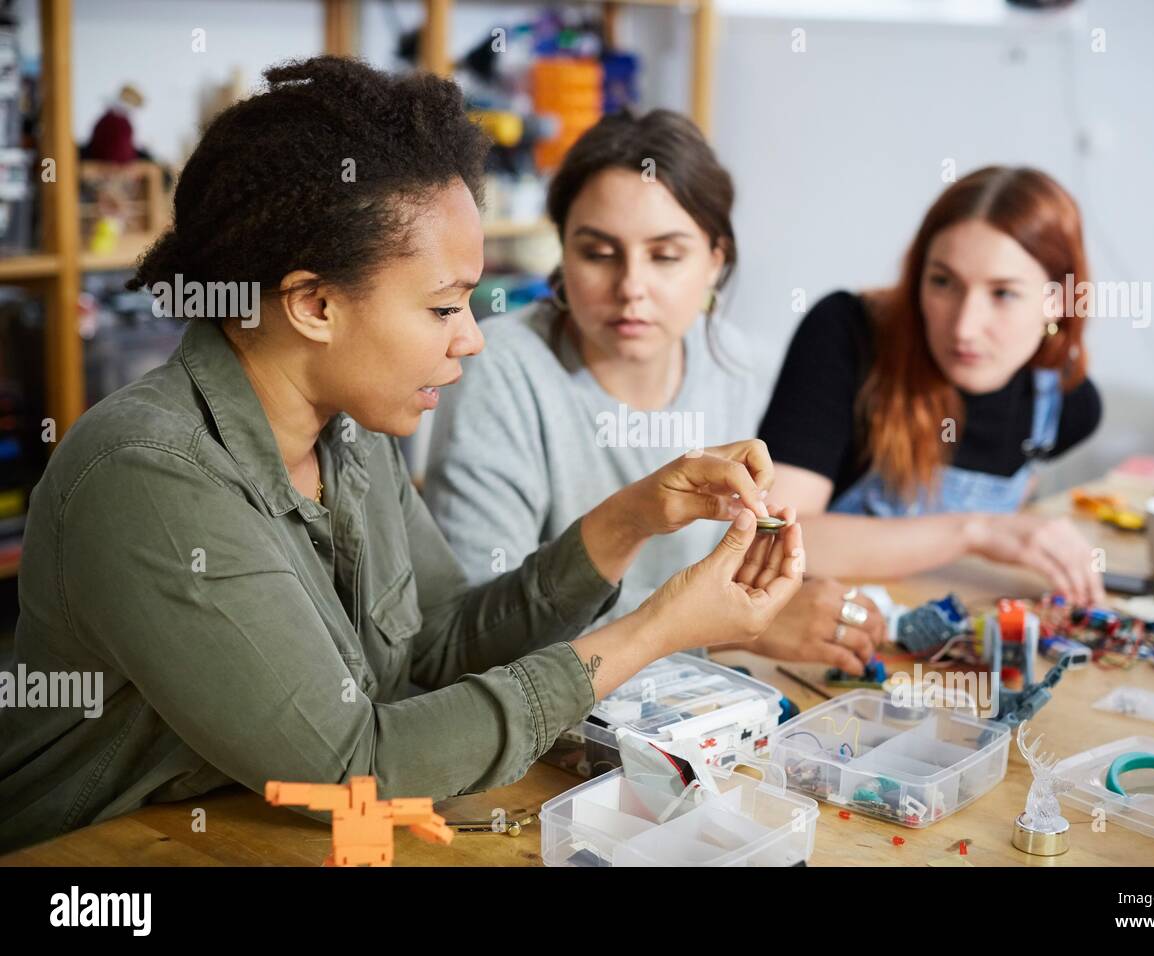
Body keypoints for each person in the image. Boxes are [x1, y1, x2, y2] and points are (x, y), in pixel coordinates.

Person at [0, 59, 803, 854]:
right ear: (314, 304)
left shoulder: (348, 428)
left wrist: (633, 517)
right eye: (444, 306)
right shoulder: (149, 475)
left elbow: (442, 643)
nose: (472, 336)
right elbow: (354, 767)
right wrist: (660, 627)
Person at [423, 110, 886, 679]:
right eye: (597, 253)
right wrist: (732, 637)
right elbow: (480, 639)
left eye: (666, 256)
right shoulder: (497, 371)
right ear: (561, 253)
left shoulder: (747, 369)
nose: (631, 289)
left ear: (715, 262)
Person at [759, 166, 1105, 604]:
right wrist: (975, 531)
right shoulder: (844, 333)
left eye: (1002, 293)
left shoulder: (1068, 406)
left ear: (1056, 301)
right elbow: (774, 536)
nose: (964, 327)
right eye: (943, 282)